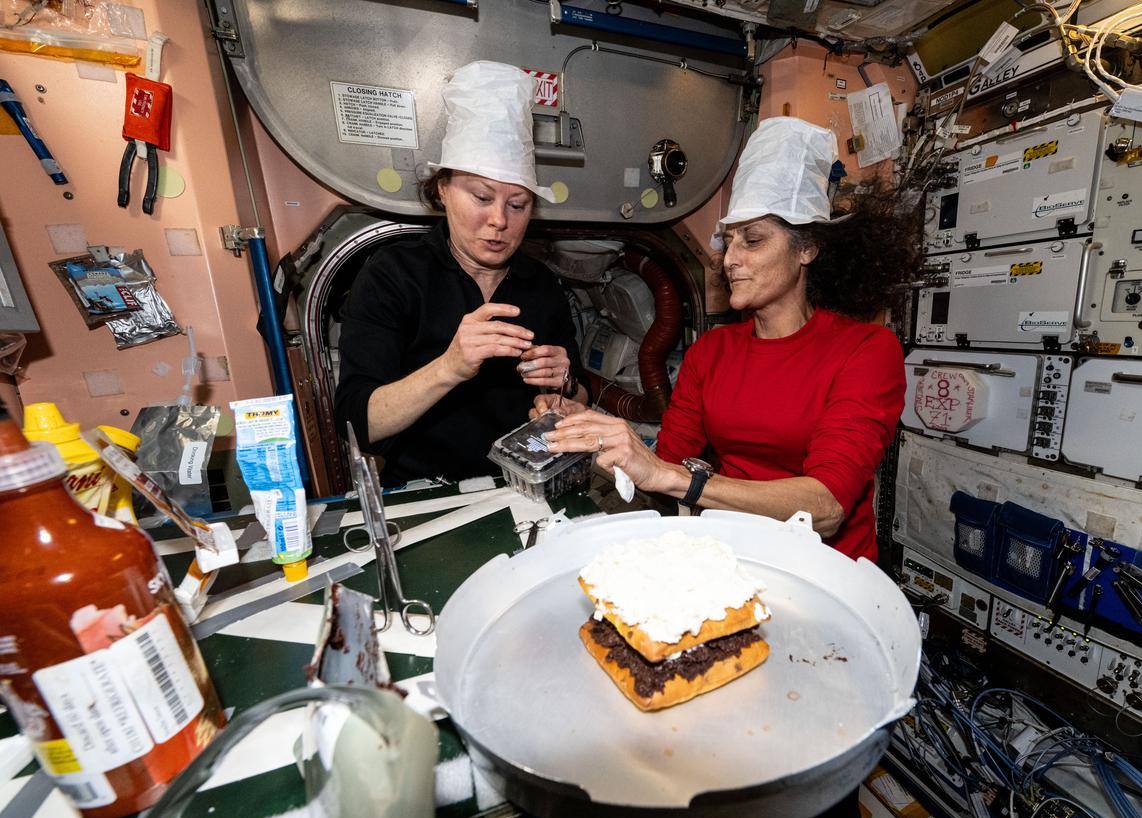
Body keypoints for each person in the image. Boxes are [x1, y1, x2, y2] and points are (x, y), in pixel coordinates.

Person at [540, 117, 917, 564]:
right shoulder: (712, 352)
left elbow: (826, 507)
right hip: (734, 558)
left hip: (825, 571)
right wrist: (596, 432)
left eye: (753, 240)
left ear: (806, 249)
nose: (730, 259)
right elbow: (668, 463)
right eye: (728, 240)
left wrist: (676, 479)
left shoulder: (866, 351)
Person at [335, 61, 587, 485]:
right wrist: (450, 366)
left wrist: (565, 386)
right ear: (443, 189)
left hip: (526, 484)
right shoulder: (393, 275)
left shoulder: (540, 284)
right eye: (482, 197)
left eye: (518, 204)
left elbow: (578, 394)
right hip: (427, 492)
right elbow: (359, 426)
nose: (499, 221)